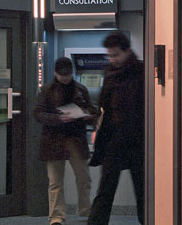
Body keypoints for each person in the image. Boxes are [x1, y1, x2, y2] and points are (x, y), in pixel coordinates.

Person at [33, 57, 101, 225]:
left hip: (75, 139)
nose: (65, 78)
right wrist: (58, 118)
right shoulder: (47, 90)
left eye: (68, 74)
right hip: (54, 140)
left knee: (84, 177)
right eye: (62, 75)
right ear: (55, 73)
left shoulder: (80, 89)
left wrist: (87, 114)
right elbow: (38, 113)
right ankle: (56, 216)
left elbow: (92, 110)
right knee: (55, 181)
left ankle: (85, 210)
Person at [88, 32, 146, 225]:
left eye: (115, 55)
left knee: (143, 190)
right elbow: (104, 103)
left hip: (138, 139)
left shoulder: (142, 71)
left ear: (127, 51)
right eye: (109, 55)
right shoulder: (109, 72)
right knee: (105, 189)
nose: (112, 59)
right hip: (113, 139)